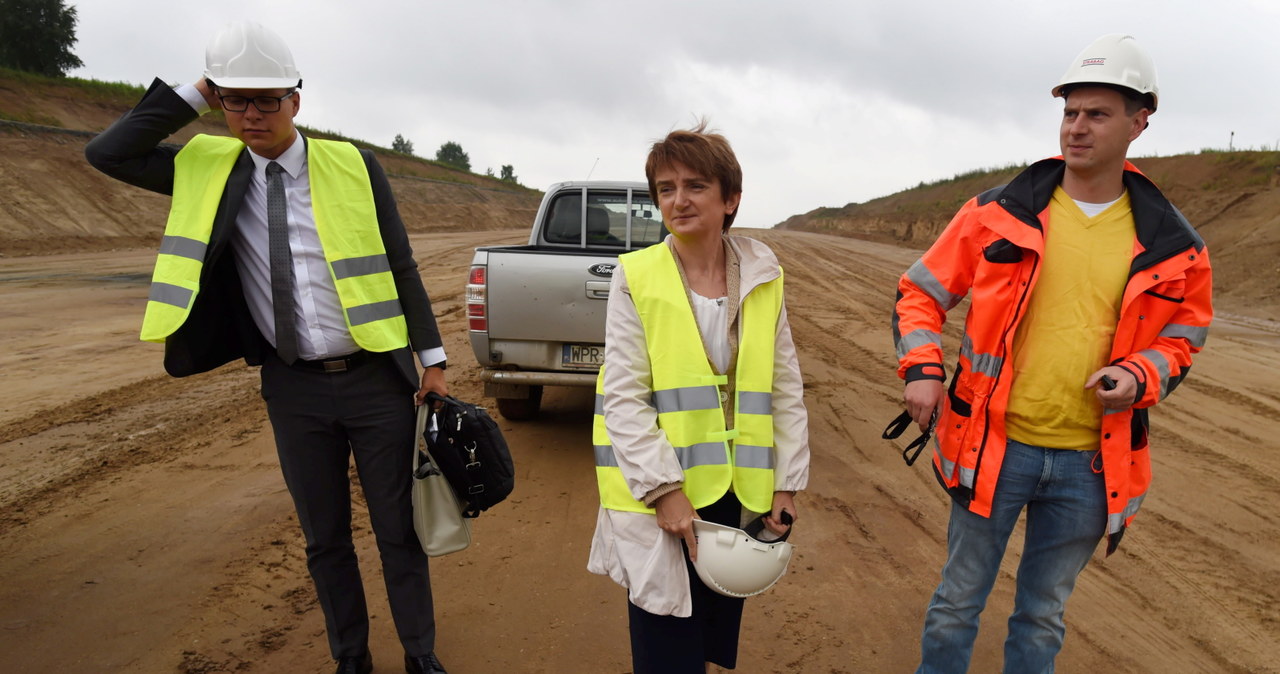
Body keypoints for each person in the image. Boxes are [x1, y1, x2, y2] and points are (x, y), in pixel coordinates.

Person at [85, 21, 449, 674]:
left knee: (398, 530)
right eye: (237, 100)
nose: (252, 114)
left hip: (376, 381)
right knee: (324, 539)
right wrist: (199, 90)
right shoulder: (204, 168)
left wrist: (434, 359)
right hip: (293, 386)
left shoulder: (354, 164)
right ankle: (351, 659)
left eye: (267, 100)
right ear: (221, 101)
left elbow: (402, 266)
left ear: (296, 102)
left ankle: (421, 655)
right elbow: (107, 153)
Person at [892, 34, 1213, 673]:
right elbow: (918, 295)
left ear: (1138, 122)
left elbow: (1185, 337)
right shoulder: (996, 215)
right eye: (1070, 112)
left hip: (1089, 465)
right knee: (958, 600)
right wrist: (924, 370)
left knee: (1042, 616)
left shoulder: (1175, 245)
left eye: (1097, 114)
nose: (1077, 127)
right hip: (992, 448)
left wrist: (1140, 373)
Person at [587, 122, 811, 672]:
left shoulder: (763, 276)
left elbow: (785, 387)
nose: (678, 200)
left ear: (730, 198)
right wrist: (663, 490)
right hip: (657, 492)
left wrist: (787, 482)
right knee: (666, 641)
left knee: (707, 641)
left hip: (734, 492)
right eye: (666, 188)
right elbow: (623, 396)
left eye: (695, 186)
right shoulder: (635, 277)